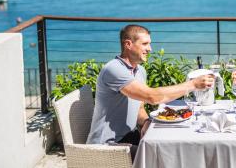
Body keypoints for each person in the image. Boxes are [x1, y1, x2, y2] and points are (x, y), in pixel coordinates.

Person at [87, 24, 214, 158]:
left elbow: (139, 106)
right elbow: (152, 97)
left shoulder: (140, 70)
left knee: (172, 145)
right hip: (106, 146)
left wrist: (146, 122)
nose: (150, 49)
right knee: (162, 156)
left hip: (130, 136)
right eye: (145, 44)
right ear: (128, 44)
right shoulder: (114, 69)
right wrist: (193, 84)